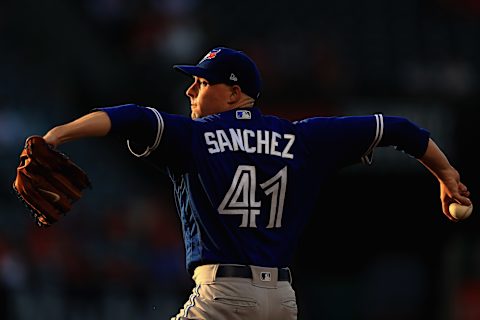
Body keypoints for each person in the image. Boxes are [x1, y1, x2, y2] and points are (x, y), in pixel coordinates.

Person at [42, 46, 472, 320]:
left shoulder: (194, 136)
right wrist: (446, 174)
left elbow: (128, 116)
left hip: (222, 296)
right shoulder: (302, 137)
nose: (191, 90)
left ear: (233, 93)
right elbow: (396, 128)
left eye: (201, 81)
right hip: (282, 301)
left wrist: (57, 135)